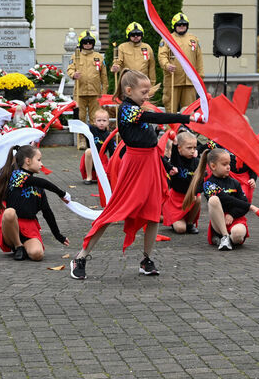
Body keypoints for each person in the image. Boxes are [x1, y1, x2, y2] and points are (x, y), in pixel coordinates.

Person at [70, 68, 192, 280]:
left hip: (150, 163)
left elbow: (151, 142)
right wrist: (187, 117)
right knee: (114, 212)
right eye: (144, 92)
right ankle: (80, 257)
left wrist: (164, 164)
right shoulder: (126, 109)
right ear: (129, 90)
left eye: (148, 91)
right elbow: (154, 117)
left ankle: (146, 260)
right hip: (134, 166)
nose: (147, 96)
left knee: (153, 213)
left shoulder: (136, 107)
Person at [0, 145, 71, 261]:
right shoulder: (16, 176)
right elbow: (43, 182)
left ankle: (25, 247)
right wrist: (61, 193)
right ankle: (18, 246)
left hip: (29, 227)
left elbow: (47, 213)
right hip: (11, 226)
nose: (41, 164)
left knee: (37, 254)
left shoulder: (39, 188)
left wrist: (58, 235)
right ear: (28, 161)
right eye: (39, 160)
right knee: (9, 212)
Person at [184, 146, 259, 249]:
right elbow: (225, 198)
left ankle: (225, 239)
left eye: (229, 163)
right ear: (213, 166)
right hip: (219, 222)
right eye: (224, 164)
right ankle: (225, 236)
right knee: (214, 199)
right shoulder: (208, 184)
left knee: (238, 235)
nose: (228, 167)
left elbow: (243, 202)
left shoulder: (235, 183)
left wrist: (232, 214)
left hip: (235, 219)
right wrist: (252, 207)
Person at [158, 13, 204, 112]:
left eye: (184, 24)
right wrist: (167, 65)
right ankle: (170, 127)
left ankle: (188, 128)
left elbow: (199, 59)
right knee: (171, 110)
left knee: (189, 111)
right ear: (174, 26)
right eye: (179, 25)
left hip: (190, 81)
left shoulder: (194, 40)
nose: (182, 26)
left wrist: (200, 77)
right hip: (173, 80)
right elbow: (162, 55)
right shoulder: (167, 39)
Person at [67, 30, 108, 129]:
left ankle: (95, 140)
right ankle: (81, 140)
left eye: (90, 42)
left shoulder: (99, 57)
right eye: (85, 42)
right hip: (80, 93)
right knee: (80, 117)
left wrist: (104, 92)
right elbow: (70, 69)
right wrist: (73, 74)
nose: (88, 44)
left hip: (95, 93)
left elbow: (104, 76)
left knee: (96, 118)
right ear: (81, 43)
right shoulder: (75, 56)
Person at [162, 131, 201, 234]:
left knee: (198, 197)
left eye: (194, 148)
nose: (193, 151)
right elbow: (173, 155)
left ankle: (190, 223)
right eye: (189, 148)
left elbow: (200, 181)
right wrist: (174, 142)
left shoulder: (196, 162)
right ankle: (174, 220)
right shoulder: (176, 160)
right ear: (179, 148)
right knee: (180, 230)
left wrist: (194, 192)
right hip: (176, 199)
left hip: (190, 198)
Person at [80, 108, 116, 184]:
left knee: (106, 178)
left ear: (108, 122)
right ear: (94, 122)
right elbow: (80, 126)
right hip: (90, 157)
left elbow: (112, 153)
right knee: (88, 151)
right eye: (99, 120)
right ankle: (89, 177)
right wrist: (76, 110)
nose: (101, 123)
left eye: (104, 120)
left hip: (101, 158)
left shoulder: (109, 136)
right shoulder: (91, 129)